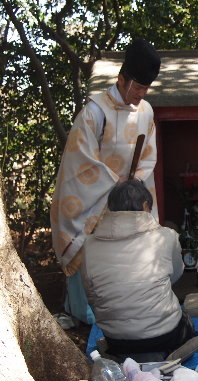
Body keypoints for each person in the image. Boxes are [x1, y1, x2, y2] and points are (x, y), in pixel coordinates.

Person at [51, 37, 161, 324]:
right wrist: (114, 182)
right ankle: (84, 313)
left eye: (145, 88)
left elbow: (148, 156)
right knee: (89, 249)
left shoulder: (146, 111)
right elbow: (80, 161)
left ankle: (129, 308)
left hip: (130, 196)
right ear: (121, 79)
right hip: (95, 198)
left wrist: (133, 186)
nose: (141, 94)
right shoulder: (94, 112)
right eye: (137, 87)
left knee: (132, 250)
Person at [80, 180, 198, 362]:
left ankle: (122, 357)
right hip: (164, 335)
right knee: (186, 322)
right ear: (145, 206)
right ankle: (171, 356)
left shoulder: (89, 245)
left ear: (110, 208)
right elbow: (175, 274)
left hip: (116, 340)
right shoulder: (166, 236)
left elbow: (91, 294)